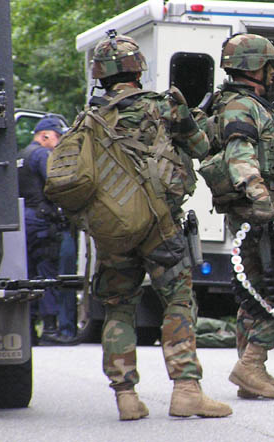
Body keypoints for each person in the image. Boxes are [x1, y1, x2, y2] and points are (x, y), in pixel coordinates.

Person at [87, 31, 231, 420]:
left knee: (118, 307)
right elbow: (203, 150)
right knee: (179, 302)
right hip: (159, 226)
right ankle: (186, 390)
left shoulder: (89, 119)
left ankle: (126, 398)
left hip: (114, 230)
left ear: (100, 75)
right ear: (138, 70)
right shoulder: (164, 107)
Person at [201, 33, 274, 399]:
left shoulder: (247, 103)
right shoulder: (240, 108)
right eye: (268, 65)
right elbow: (239, 154)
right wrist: (261, 199)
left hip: (260, 210)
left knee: (257, 290)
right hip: (262, 210)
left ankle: (255, 370)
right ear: (253, 67)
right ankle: (250, 364)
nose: (273, 72)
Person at [18, 116, 74, 342]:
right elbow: (56, 183)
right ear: (45, 136)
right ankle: (51, 330)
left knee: (28, 277)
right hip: (42, 222)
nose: (59, 142)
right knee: (47, 276)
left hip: (23, 221)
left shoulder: (19, 156)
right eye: (58, 137)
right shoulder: (42, 154)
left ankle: (30, 331)